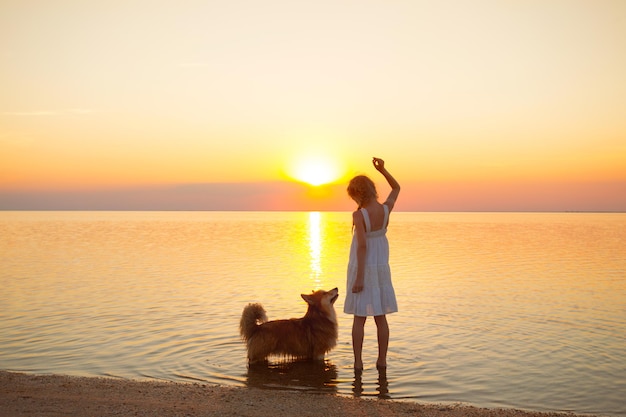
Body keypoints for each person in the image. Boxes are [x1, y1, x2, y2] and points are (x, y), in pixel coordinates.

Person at [344, 157, 400, 371]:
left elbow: (362, 247)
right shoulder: (386, 209)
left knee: (359, 318)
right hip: (380, 269)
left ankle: (358, 363)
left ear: (357, 194)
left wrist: (358, 278)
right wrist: (383, 170)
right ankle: (381, 361)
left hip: (364, 268)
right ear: (372, 190)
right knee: (380, 317)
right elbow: (396, 187)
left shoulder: (359, 215)